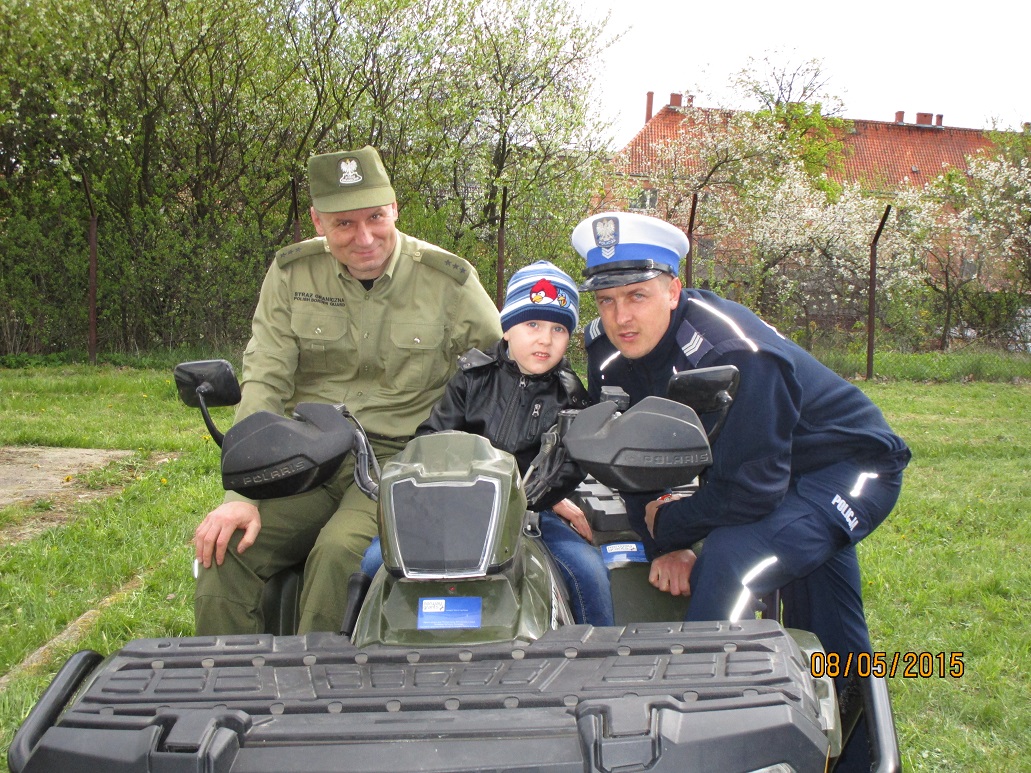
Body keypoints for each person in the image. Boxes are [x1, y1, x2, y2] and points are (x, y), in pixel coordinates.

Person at [573, 211, 910, 765]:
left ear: (673, 291)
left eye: (637, 296)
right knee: (829, 624)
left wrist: (676, 525)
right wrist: (665, 543)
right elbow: (628, 459)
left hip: (848, 468)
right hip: (768, 470)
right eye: (606, 300)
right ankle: (854, 755)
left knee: (731, 561)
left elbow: (752, 490)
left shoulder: (733, 350)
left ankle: (693, 738)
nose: (620, 317)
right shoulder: (608, 353)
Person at [192, 146, 502, 635]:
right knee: (227, 546)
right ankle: (226, 678)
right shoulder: (292, 274)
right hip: (305, 454)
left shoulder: (448, 282)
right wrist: (242, 492)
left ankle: (317, 676)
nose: (365, 238)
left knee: (339, 554)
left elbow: (499, 373)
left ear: (394, 208)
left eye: (376, 217)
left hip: (396, 459)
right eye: (343, 224)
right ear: (318, 222)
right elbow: (266, 376)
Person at [361, 261, 614, 626]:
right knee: (374, 562)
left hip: (531, 514)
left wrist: (540, 495)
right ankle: (356, 644)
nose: (545, 339)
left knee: (587, 570)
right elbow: (430, 441)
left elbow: (569, 464)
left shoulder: (571, 398)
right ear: (507, 328)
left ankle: (596, 652)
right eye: (532, 324)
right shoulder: (472, 378)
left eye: (559, 328)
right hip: (452, 508)